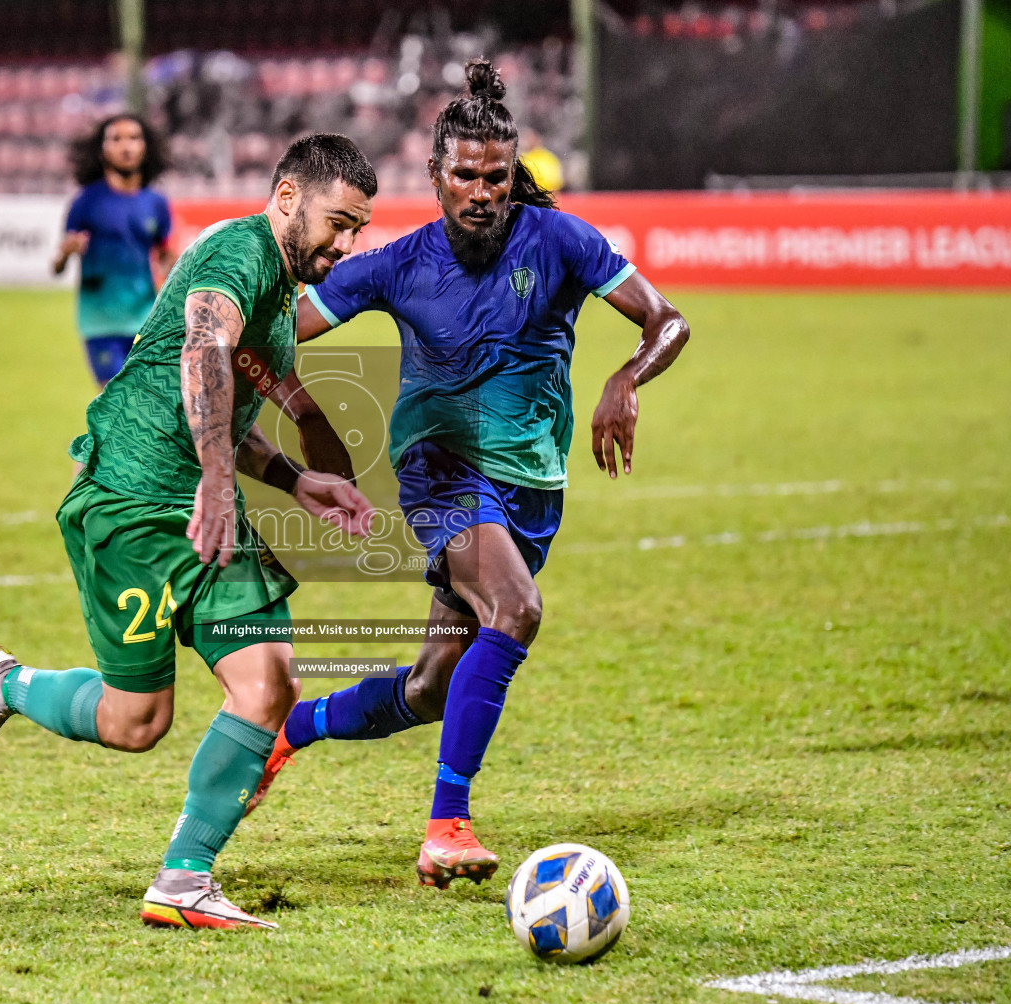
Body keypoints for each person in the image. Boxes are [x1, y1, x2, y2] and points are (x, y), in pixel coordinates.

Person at [247, 61, 691, 890]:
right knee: (516, 610)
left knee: (427, 689)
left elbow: (668, 321)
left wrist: (625, 378)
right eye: (464, 176)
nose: (481, 192)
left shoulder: (562, 240)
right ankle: (447, 826)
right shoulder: (396, 264)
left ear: (511, 172)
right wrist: (252, 375)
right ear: (435, 176)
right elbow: (272, 338)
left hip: (532, 483)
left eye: (495, 176)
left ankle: (289, 729)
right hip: (439, 466)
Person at [0, 134, 379, 930]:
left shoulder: (280, 292)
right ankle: (3, 684)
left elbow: (226, 406)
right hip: (135, 503)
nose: (347, 245)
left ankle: (183, 878)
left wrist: (292, 479)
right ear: (287, 198)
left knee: (270, 682)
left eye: (358, 228)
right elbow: (200, 354)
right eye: (338, 223)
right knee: (134, 721)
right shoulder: (238, 254)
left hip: (203, 504)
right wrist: (216, 483)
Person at [52, 115, 175, 388]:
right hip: (100, 321)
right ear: (102, 149)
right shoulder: (86, 202)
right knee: (115, 402)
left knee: (147, 403)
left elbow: (165, 254)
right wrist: (65, 254)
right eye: (116, 139)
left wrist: (178, 270)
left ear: (146, 147)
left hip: (145, 321)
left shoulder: (156, 204)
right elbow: (57, 266)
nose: (126, 147)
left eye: (133, 138)